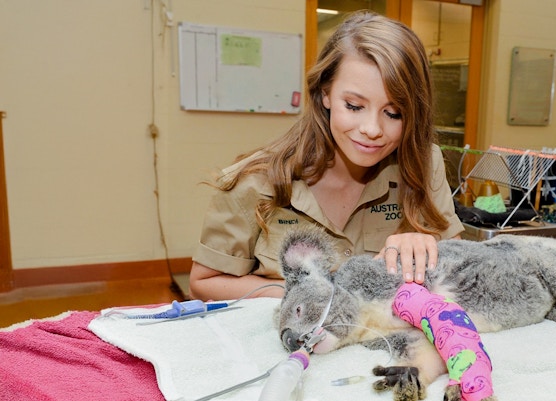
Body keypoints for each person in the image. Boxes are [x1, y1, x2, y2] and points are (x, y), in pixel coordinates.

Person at [189, 10, 465, 301]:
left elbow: (462, 272)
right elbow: (204, 282)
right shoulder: (254, 181)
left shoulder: (423, 164)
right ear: (326, 93)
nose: (372, 129)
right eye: (354, 106)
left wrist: (424, 243)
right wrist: (308, 294)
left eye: (393, 113)